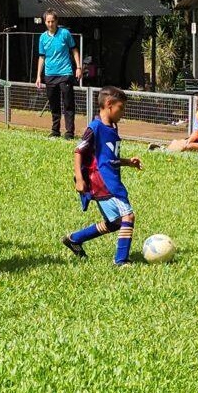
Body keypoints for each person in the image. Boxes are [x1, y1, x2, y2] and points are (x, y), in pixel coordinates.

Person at [62, 86, 143, 266]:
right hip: (103, 181)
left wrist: (127, 162)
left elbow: (107, 158)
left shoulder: (112, 127)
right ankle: (121, 261)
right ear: (108, 104)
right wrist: (80, 179)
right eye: (120, 108)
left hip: (110, 179)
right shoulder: (95, 127)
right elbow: (78, 151)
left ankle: (74, 239)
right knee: (128, 216)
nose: (123, 113)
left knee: (115, 223)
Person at [35, 8, 82, 139]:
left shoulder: (65, 34)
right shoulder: (43, 38)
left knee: (68, 103)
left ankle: (69, 132)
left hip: (65, 73)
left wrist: (78, 67)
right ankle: (55, 131)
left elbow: (74, 50)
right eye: (48, 22)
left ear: (56, 21)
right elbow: (42, 57)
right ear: (45, 22)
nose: (50, 24)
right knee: (54, 104)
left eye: (52, 21)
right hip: (49, 75)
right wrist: (39, 76)